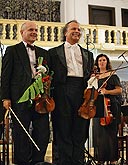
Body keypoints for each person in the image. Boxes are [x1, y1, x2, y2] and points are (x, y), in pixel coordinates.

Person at [1, 21, 50, 165]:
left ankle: (38, 161)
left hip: (40, 99)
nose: (34, 32)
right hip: (19, 98)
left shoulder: (43, 52)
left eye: (36, 30)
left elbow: (48, 76)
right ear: (22, 33)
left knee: (43, 132)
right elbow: (5, 76)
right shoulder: (12, 50)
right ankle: (22, 162)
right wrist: (5, 97)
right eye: (30, 30)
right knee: (21, 133)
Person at [48, 20, 94, 165]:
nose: (77, 31)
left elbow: (89, 74)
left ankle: (78, 160)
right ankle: (63, 161)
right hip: (62, 90)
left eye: (79, 29)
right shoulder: (53, 53)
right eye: (74, 28)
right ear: (66, 32)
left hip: (81, 91)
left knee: (80, 128)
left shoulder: (89, 54)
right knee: (63, 127)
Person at [93, 54, 122, 165]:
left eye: (104, 60)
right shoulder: (95, 77)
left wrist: (107, 92)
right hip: (99, 107)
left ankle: (113, 160)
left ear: (107, 62)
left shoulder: (112, 75)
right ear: (97, 62)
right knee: (99, 135)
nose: (102, 62)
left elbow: (119, 90)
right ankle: (100, 159)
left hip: (111, 106)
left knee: (110, 135)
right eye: (100, 60)